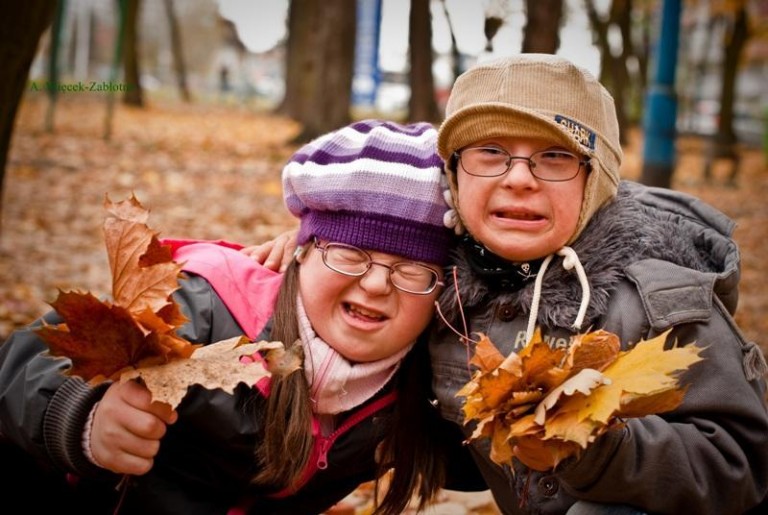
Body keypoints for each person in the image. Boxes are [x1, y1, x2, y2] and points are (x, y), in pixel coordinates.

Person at [247, 54, 768, 515]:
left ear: (598, 180)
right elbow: (381, 222)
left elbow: (743, 462)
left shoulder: (659, 302)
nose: (519, 177)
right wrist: (311, 244)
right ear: (454, 178)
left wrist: (594, 448)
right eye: (490, 151)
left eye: (556, 156)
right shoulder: (442, 288)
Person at [0, 120, 485, 514]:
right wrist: (84, 416)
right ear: (301, 250)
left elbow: (491, 461)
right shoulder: (207, 306)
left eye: (413, 269)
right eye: (349, 252)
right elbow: (27, 359)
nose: (377, 283)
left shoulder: (423, 376)